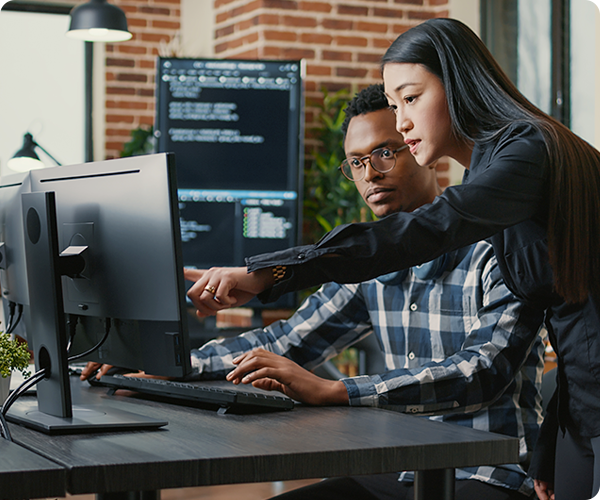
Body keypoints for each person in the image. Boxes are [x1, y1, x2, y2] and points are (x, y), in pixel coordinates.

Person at [186, 18, 600, 500]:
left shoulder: (526, 154)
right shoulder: (502, 170)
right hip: (582, 411)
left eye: (410, 98)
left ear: (459, 84)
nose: (403, 122)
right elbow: (571, 316)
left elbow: (435, 228)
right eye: (395, 103)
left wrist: (272, 271)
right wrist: (553, 437)